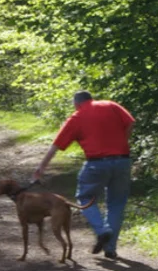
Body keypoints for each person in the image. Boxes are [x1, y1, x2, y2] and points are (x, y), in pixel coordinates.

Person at [33, 90, 134, 259]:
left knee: (85, 197)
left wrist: (41, 169)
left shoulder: (77, 117)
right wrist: (122, 142)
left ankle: (102, 230)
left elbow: (56, 146)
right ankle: (110, 248)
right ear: (91, 99)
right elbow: (130, 123)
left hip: (97, 163)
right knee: (116, 203)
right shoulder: (111, 105)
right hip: (123, 161)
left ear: (76, 104)